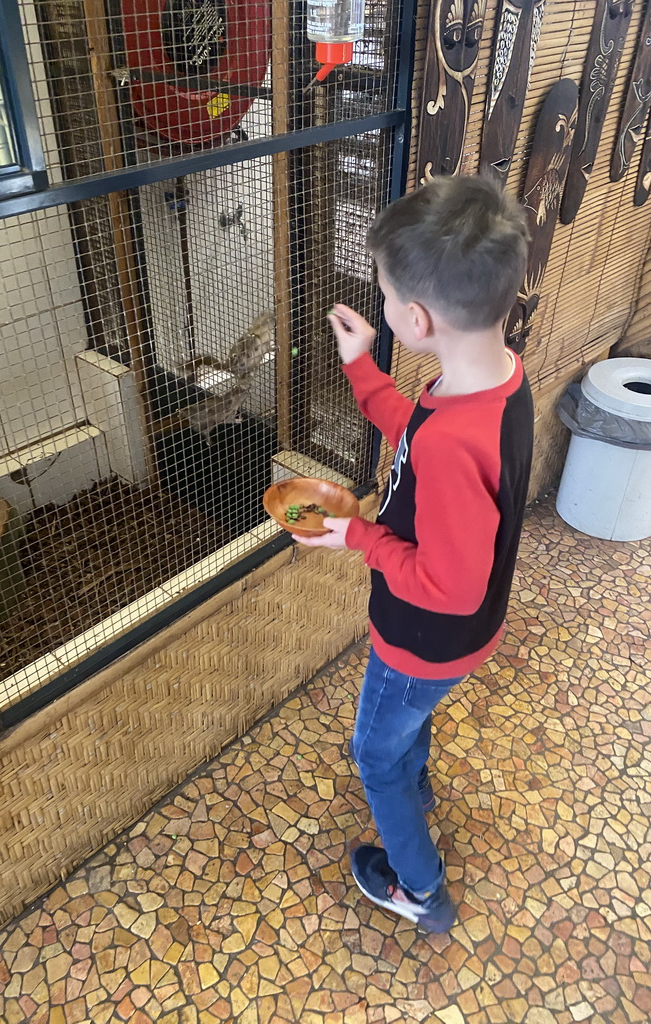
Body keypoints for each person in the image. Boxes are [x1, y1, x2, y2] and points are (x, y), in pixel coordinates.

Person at [294, 175, 534, 933]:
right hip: (454, 640)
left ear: (418, 319)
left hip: (424, 638)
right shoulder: (494, 380)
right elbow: (421, 438)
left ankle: (417, 887)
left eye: (385, 296)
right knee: (405, 729)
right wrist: (364, 370)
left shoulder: (461, 440)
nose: (383, 308)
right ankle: (416, 784)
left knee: (374, 751)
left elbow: (449, 586)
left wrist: (358, 537)